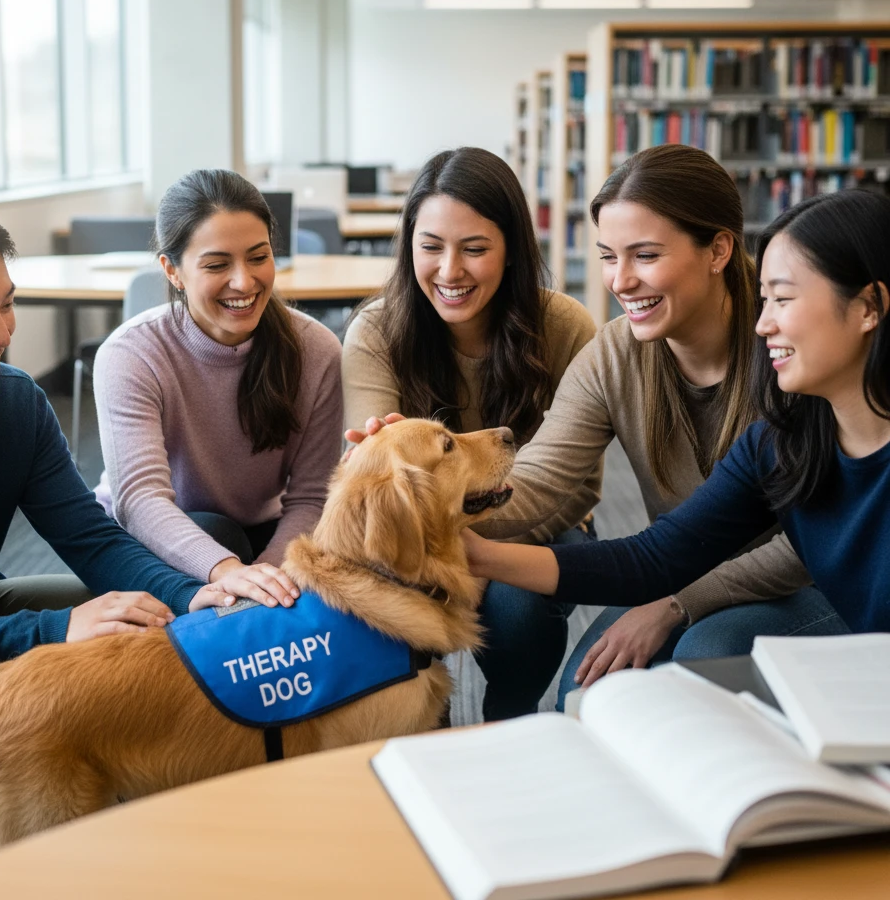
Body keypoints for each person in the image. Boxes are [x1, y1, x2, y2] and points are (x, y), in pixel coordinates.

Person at [357, 145, 841, 712]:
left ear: (718, 249)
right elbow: (539, 481)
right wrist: (432, 503)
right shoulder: (616, 354)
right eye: (609, 256)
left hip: (807, 583)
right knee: (583, 696)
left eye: (645, 255)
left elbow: (816, 541)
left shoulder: (794, 349)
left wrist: (677, 604)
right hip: (673, 567)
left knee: (703, 660)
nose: (621, 280)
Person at [0, 196, 221, 778]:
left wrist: (194, 595)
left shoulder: (12, 403)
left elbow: (90, 538)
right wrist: (53, 633)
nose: (1, 333)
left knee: (124, 613)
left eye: (7, 306)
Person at [465, 189, 889, 640]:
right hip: (859, 675)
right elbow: (653, 559)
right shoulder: (777, 442)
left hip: (831, 633)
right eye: (764, 301)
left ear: (867, 308)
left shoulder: (791, 408)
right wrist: (468, 546)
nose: (764, 324)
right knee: (591, 685)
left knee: (704, 653)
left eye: (783, 300)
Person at [342, 146, 600, 720]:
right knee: (380, 596)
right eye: (430, 247)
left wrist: (466, 551)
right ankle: (418, 726)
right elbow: (371, 477)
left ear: (511, 250)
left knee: (516, 605)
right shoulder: (376, 332)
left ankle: (510, 718)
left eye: (475, 249)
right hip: (415, 539)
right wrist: (444, 544)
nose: (450, 271)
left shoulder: (565, 327)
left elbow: (575, 488)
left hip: (535, 526)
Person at [93, 169, 343, 610]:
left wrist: (266, 580)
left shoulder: (316, 350)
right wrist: (232, 574)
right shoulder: (132, 354)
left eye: (259, 257)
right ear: (173, 271)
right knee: (214, 532)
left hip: (259, 530)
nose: (244, 282)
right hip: (146, 533)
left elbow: (311, 497)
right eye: (216, 265)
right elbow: (141, 500)